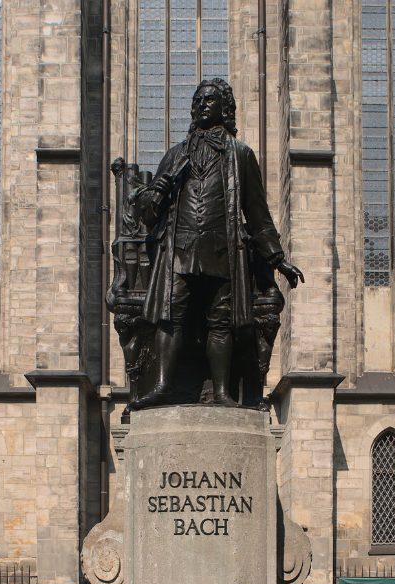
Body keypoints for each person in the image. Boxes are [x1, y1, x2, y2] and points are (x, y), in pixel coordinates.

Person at [128, 78, 304, 410]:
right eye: (197, 101)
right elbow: (148, 215)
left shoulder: (240, 154)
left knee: (220, 320)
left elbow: (257, 213)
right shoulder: (176, 155)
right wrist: (163, 184)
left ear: (224, 107)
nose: (201, 105)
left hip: (223, 250)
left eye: (209, 100)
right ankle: (164, 385)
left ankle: (222, 391)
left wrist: (278, 259)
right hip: (178, 251)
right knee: (171, 315)